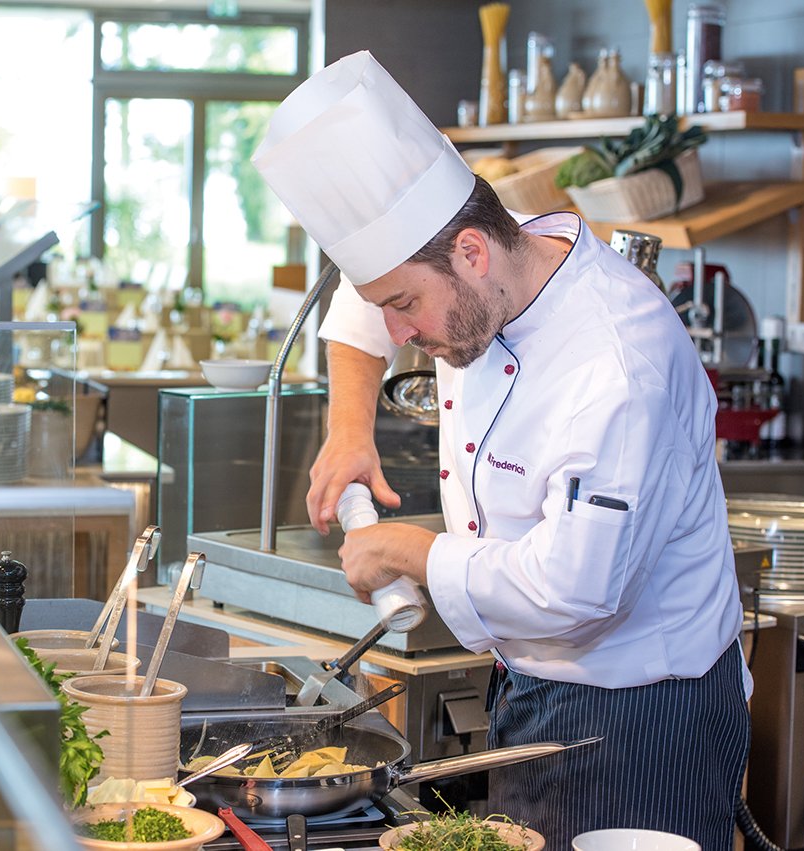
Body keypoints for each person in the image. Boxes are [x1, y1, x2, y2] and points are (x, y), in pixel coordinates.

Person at [253, 51, 750, 850]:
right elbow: (362, 297)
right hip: (527, 685)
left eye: (407, 306)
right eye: (392, 307)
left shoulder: (617, 364)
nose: (400, 333)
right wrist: (350, 429)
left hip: (645, 709)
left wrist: (414, 551)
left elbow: (579, 589)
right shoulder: (473, 267)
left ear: (475, 254)